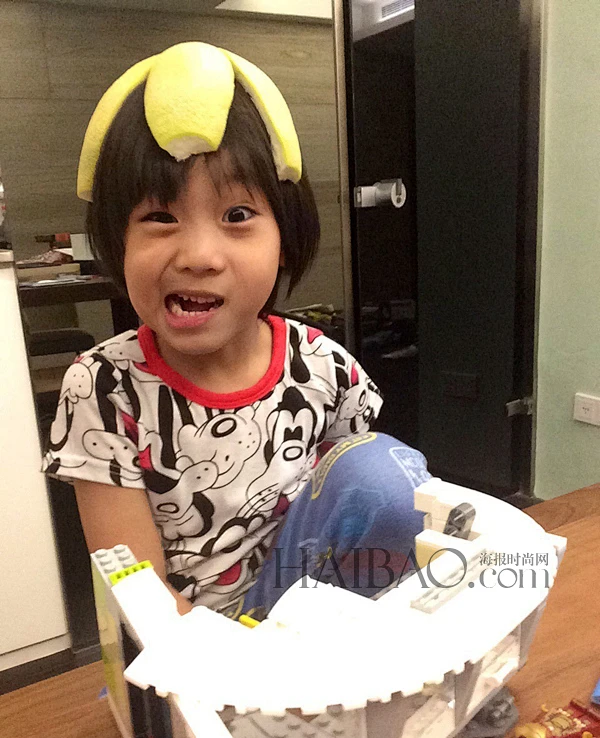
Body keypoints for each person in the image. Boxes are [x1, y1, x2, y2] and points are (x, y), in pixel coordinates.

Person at [43, 43, 429, 620]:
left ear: (285, 238)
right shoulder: (101, 387)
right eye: (160, 217)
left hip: (313, 620)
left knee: (383, 471)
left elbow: (354, 511)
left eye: (238, 216)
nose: (199, 255)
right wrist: (229, 661)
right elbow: (136, 590)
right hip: (191, 644)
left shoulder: (322, 365)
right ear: (116, 241)